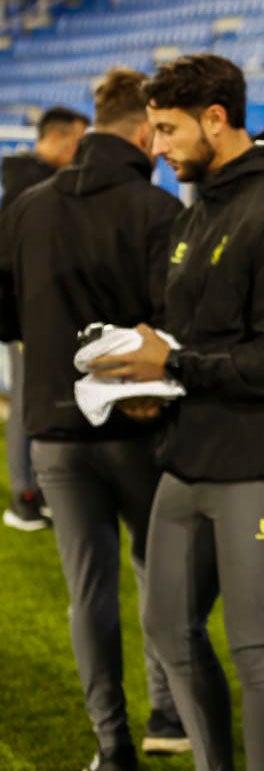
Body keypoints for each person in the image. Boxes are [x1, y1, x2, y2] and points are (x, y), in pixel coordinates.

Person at [90, 54, 264, 771]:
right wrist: (147, 373)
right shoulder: (199, 210)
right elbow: (190, 339)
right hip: (190, 450)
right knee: (167, 626)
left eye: (168, 128)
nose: (157, 145)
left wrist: (174, 365)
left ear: (217, 119)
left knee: (256, 643)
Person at [0, 67, 187, 771]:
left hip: (54, 425)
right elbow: (179, 322)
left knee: (89, 591)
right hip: (142, 422)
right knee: (158, 574)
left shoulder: (27, 207)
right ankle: (167, 716)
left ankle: (112, 750)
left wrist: (55, 344)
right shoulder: (159, 210)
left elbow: (4, 311)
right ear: (142, 133)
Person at [1, 104, 89, 531]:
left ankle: (41, 490)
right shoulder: (31, 188)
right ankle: (25, 499)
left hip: (36, 311)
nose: (82, 153)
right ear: (58, 139)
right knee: (26, 401)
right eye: (79, 142)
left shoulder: (28, 182)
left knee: (36, 398)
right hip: (28, 312)